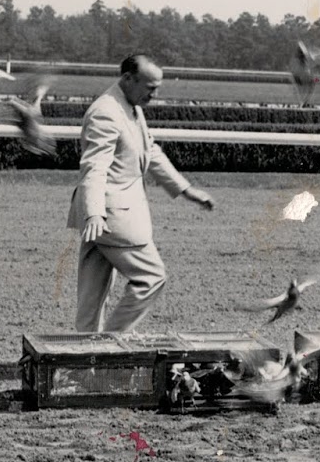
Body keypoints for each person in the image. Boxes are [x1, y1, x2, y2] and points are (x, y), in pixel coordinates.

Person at [66, 54, 214, 333]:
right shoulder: (106, 112)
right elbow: (94, 166)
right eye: (150, 87)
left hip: (102, 215)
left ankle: (84, 355)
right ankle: (113, 345)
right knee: (152, 277)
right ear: (127, 79)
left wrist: (185, 189)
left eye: (157, 87)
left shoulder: (130, 106)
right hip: (110, 217)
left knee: (92, 298)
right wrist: (95, 213)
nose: (154, 94)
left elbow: (150, 150)